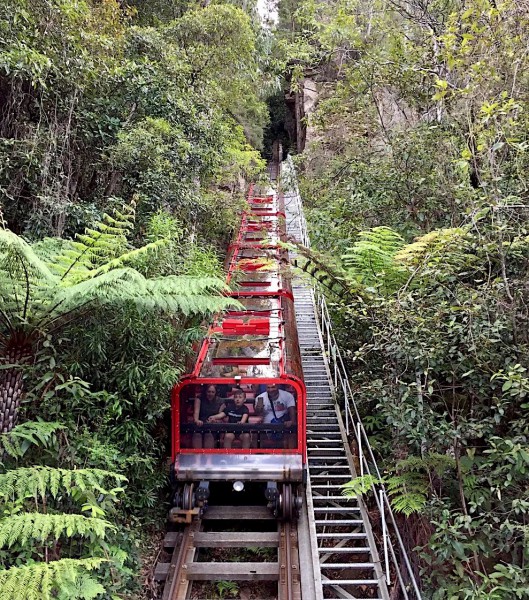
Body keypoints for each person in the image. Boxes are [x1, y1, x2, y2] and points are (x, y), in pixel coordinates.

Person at [254, 383, 296, 448]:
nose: (270, 390)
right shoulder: (260, 397)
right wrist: (259, 408)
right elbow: (258, 413)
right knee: (256, 431)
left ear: (278, 386)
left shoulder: (287, 396)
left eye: (273, 387)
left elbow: (292, 411)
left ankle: (290, 455)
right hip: (267, 426)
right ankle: (259, 453)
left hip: (283, 424)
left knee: (291, 432)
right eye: (268, 387)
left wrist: (292, 421)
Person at [192, 385, 225, 449]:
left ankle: (208, 459)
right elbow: (196, 413)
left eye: (213, 392)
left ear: (215, 393)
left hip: (212, 426)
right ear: (205, 392)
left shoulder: (221, 401)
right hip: (200, 424)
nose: (210, 394)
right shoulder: (199, 398)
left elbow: (221, 418)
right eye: (209, 392)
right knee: (197, 434)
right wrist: (196, 420)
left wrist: (214, 420)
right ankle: (197, 458)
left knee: (208, 434)